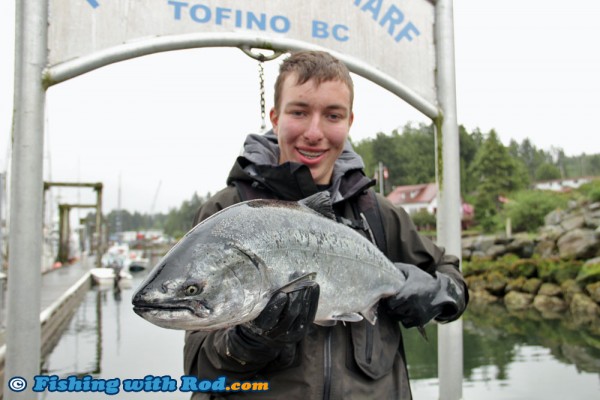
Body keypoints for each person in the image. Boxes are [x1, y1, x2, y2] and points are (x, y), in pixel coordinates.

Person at [184, 50, 468, 399]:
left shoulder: (379, 215)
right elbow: (198, 368)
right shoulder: (226, 214)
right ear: (275, 117)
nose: (314, 132)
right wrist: (250, 340)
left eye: (332, 115)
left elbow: (452, 280)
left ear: (349, 122)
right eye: (299, 112)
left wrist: (433, 292)